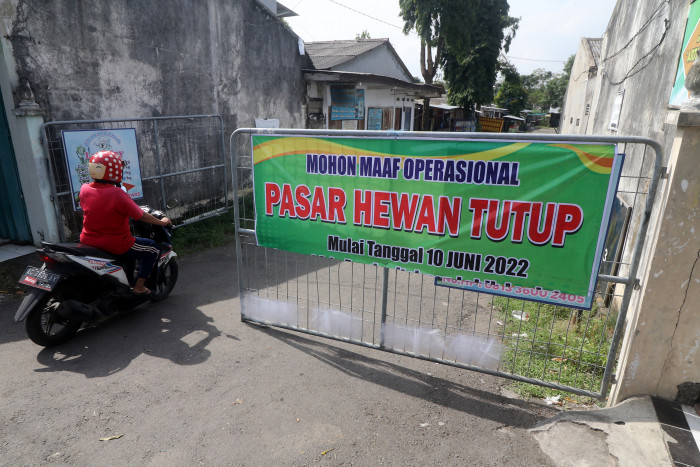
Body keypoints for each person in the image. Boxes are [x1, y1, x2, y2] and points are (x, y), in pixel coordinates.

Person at [79, 151, 171, 295]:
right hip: (116, 243)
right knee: (152, 248)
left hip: (88, 240)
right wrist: (161, 222)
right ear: (114, 171)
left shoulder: (84, 189)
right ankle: (140, 286)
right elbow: (141, 216)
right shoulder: (117, 194)